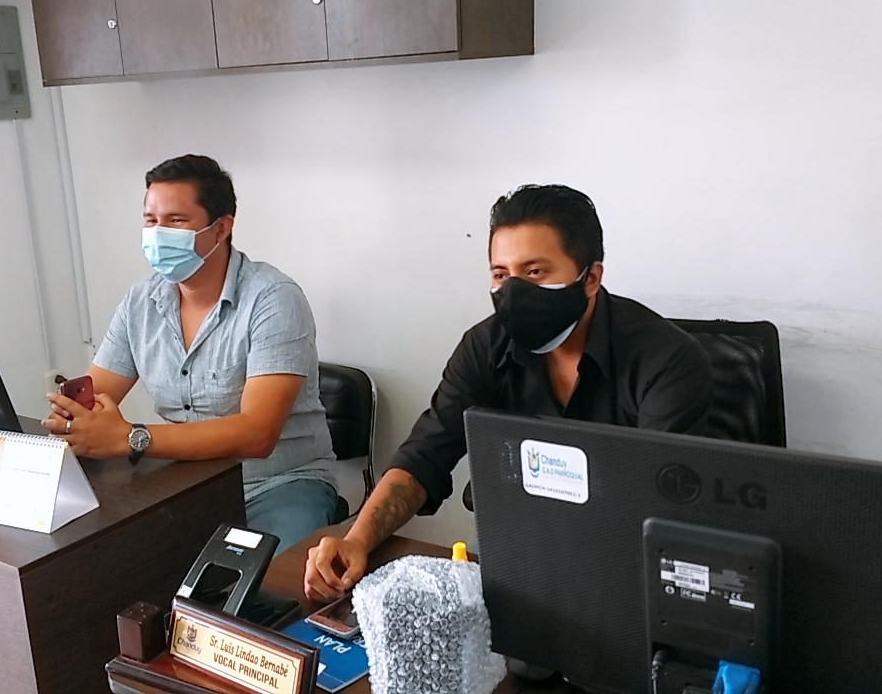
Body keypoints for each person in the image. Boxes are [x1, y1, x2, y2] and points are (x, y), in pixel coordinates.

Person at [303, 184, 714, 600]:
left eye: (534, 272)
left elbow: (659, 506)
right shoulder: (485, 346)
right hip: (518, 546)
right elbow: (424, 455)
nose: (514, 291)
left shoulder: (667, 359)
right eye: (501, 275)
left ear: (590, 278)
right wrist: (357, 540)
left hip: (624, 561)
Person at [44, 154, 337, 552]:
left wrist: (132, 438)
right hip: (185, 481)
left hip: (277, 484)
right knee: (108, 560)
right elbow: (92, 397)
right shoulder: (140, 302)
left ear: (221, 229)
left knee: (265, 584)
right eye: (151, 220)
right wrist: (75, 422)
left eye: (176, 220)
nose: (158, 233)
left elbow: (257, 434)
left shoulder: (273, 298)